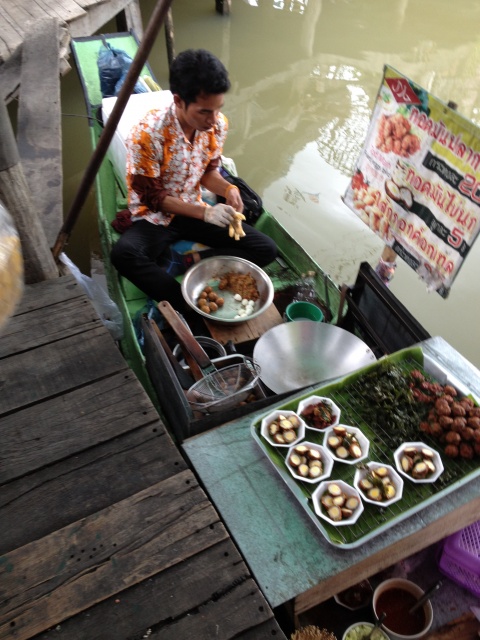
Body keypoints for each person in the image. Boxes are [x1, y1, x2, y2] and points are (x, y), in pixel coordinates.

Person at [110, 48, 278, 315]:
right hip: (156, 218)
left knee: (266, 249)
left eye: (218, 109)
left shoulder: (217, 125)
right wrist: (207, 213)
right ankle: (185, 307)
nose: (213, 120)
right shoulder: (147, 134)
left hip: (194, 210)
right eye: (204, 112)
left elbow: (208, 173)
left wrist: (229, 189)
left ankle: (190, 260)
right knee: (124, 255)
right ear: (178, 101)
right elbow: (153, 198)